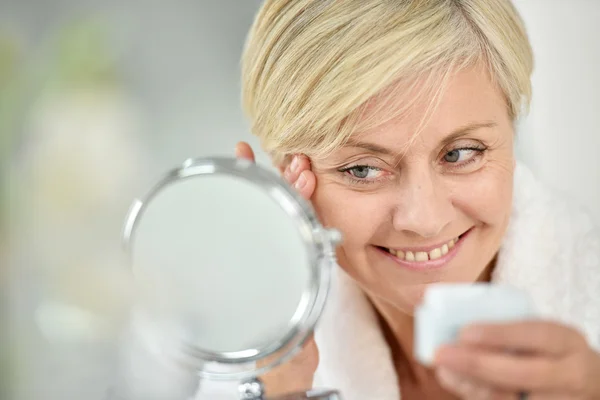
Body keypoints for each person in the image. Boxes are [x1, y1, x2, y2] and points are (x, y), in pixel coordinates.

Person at [203, 1, 600, 399]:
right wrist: (275, 387)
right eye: (363, 170)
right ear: (286, 174)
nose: (424, 220)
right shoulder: (249, 355)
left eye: (460, 153)